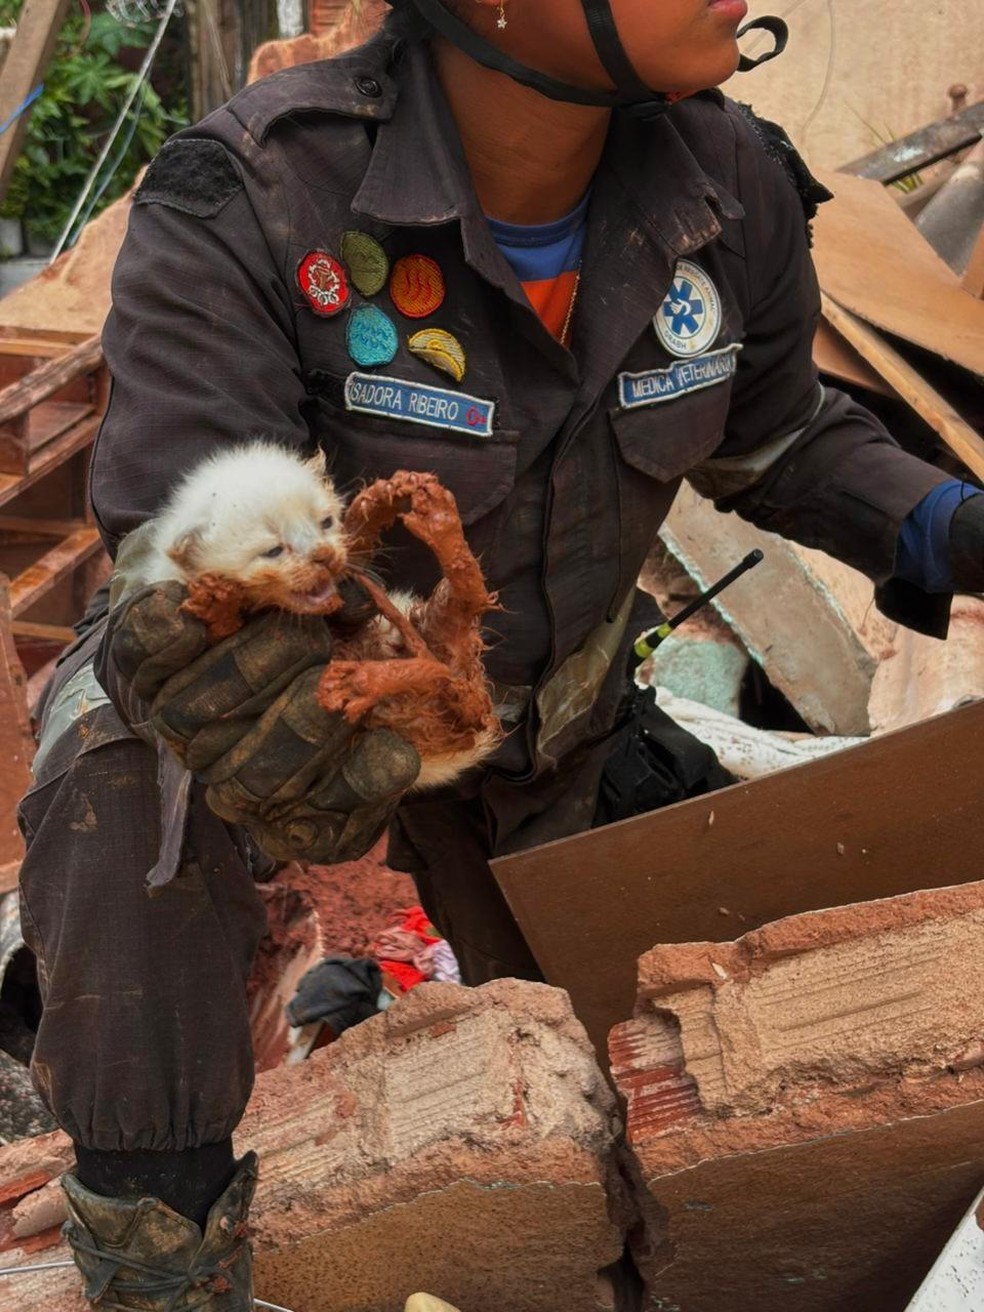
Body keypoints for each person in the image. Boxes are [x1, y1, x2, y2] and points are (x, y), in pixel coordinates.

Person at [16, 0, 984, 1306]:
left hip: (553, 723)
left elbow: (781, 439)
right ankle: (161, 1250)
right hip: (317, 700)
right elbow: (184, 530)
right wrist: (250, 654)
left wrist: (941, 525)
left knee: (705, 1044)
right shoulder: (252, 194)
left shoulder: (731, 184)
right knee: (126, 767)